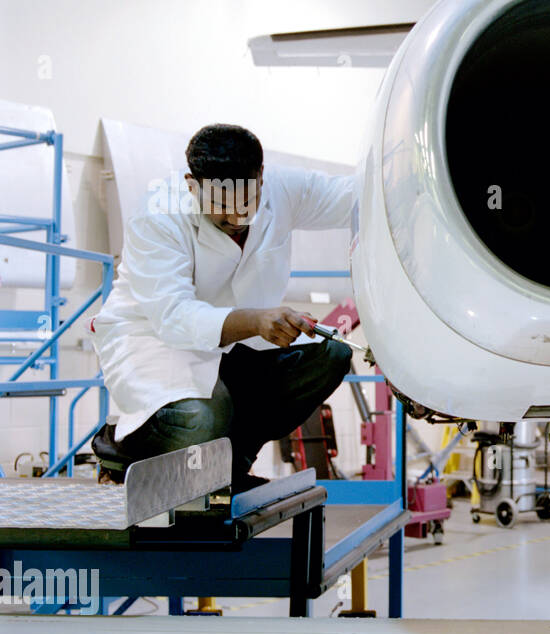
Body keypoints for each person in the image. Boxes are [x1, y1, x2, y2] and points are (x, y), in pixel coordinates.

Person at [91, 123, 359, 490]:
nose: (234, 219)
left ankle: (231, 464)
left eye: (245, 206)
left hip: (238, 347)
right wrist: (254, 320)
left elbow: (355, 196)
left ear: (261, 179)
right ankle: (120, 448)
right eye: (219, 207)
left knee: (331, 356)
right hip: (157, 343)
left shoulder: (281, 189)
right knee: (201, 419)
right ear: (191, 184)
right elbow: (173, 318)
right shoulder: (158, 213)